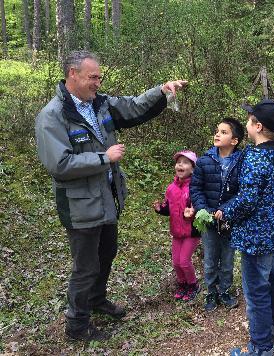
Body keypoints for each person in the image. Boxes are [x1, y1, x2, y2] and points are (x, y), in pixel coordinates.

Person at [35, 49, 187, 342]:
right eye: (93, 77)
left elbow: (132, 107)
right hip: (80, 207)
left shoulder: (99, 105)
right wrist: (104, 158)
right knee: (85, 266)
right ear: (72, 74)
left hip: (105, 199)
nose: (98, 83)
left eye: (100, 77)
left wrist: (161, 91)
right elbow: (60, 165)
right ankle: (77, 326)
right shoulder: (52, 116)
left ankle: (96, 300)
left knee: (106, 254)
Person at [216, 99, 274, 356]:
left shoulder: (257, 158)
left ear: (258, 126)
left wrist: (225, 211)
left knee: (256, 294)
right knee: (273, 281)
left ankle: (261, 347)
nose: (247, 123)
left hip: (256, 238)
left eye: (250, 120)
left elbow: (247, 200)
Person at [190, 117, 245, 312]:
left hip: (229, 221)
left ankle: (225, 290)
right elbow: (195, 188)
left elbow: (243, 191)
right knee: (210, 258)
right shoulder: (204, 160)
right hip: (209, 220)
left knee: (228, 258)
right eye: (217, 131)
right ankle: (210, 291)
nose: (217, 134)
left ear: (234, 141)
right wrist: (204, 209)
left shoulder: (242, 161)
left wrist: (227, 210)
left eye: (223, 132)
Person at [153, 150, 201, 302]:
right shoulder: (171, 188)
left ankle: (193, 285)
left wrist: (193, 212)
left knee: (184, 261)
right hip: (176, 231)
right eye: (178, 162)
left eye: (185, 162)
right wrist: (160, 209)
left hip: (192, 231)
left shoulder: (195, 188)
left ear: (192, 168)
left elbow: (201, 208)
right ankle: (182, 284)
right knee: (176, 262)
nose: (180, 164)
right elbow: (169, 208)